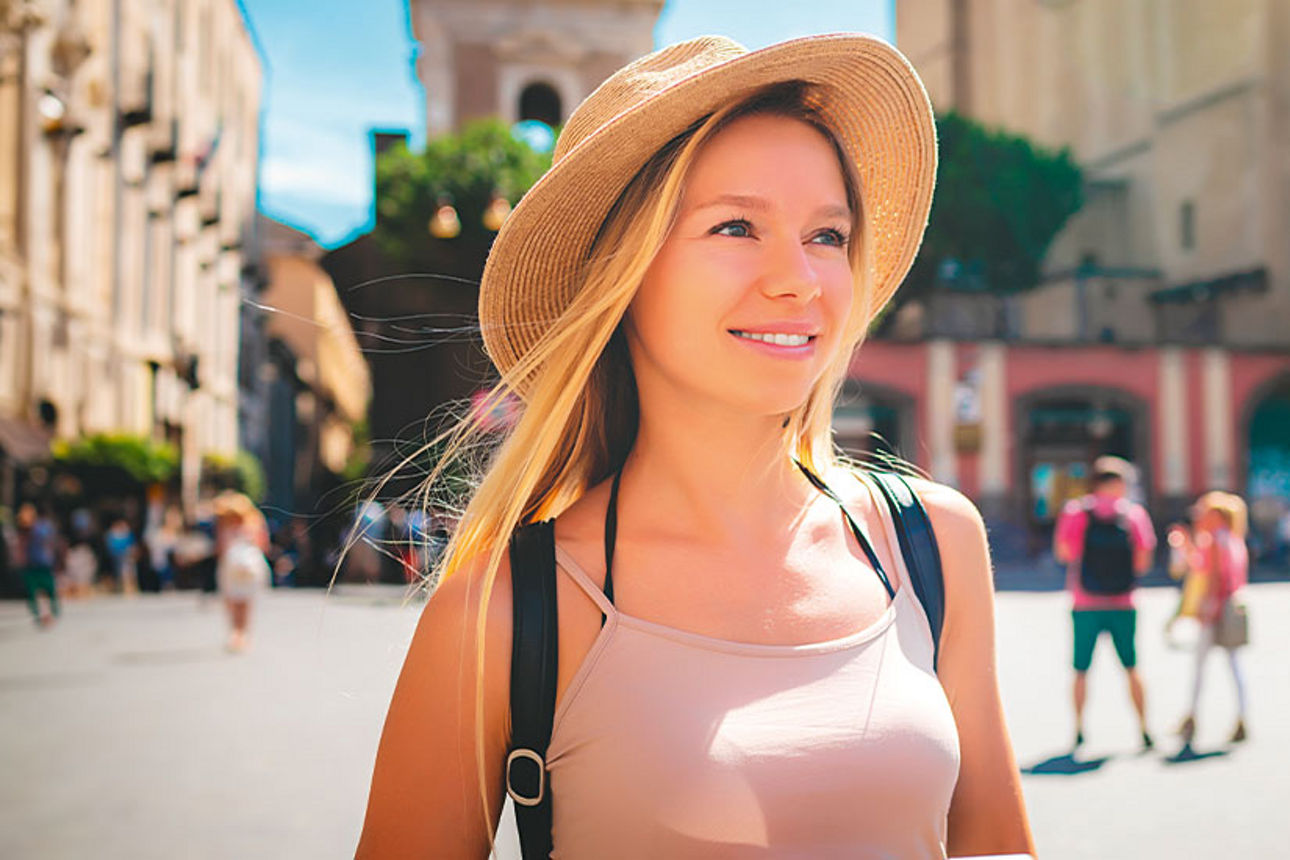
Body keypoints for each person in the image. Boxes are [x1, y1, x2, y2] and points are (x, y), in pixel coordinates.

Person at [358, 35, 1033, 858]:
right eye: (737, 225)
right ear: (624, 274)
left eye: (828, 235)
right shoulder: (503, 611)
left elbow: (998, 847)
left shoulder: (932, 541)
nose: (800, 278)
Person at [1053, 455, 1157, 751]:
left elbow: (1064, 553)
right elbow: (1143, 560)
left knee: (1081, 669)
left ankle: (1078, 728)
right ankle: (1144, 727)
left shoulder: (1076, 512)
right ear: (1118, 483)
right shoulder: (1134, 514)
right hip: (1124, 602)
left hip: (1084, 602)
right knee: (1132, 666)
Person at [1174, 491, 1249, 747]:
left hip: (1216, 608)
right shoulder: (1234, 539)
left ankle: (1192, 717)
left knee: (1200, 667)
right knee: (1233, 664)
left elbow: (1211, 575)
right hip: (1232, 607)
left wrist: (1209, 609)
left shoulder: (1215, 540)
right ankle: (1241, 716)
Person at [212, 492, 270, 652]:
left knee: (234, 601)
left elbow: (220, 547)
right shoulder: (255, 522)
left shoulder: (225, 525)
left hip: (231, 567)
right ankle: (241, 633)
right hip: (251, 567)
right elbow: (264, 545)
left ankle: (236, 633)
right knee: (244, 602)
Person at [13, 503, 60, 626]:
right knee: (32, 590)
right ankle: (38, 614)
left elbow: (49, 541)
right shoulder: (21, 530)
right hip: (28, 564)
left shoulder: (41, 527)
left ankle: (53, 611)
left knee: (49, 588)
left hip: (42, 563)